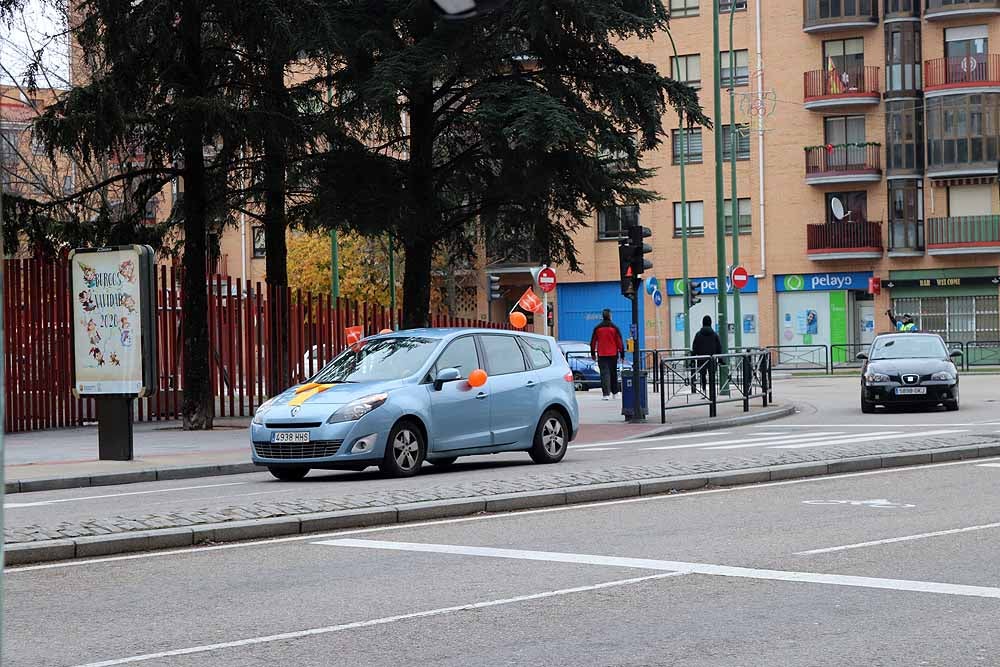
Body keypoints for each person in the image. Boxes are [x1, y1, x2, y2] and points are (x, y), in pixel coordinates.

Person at [590, 309, 625, 401]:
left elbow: (593, 342)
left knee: (604, 374)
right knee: (613, 373)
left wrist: (593, 354)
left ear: (603, 316)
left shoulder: (597, 328)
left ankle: (606, 394)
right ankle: (615, 392)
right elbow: (619, 342)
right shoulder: (615, 328)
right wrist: (622, 354)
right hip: (613, 354)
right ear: (610, 316)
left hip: (602, 354)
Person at [691, 315, 723, 393]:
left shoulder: (698, 334)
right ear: (710, 323)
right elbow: (719, 347)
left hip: (701, 359)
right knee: (712, 376)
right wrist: (720, 360)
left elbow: (694, 347)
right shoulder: (715, 335)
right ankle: (712, 392)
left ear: (702, 323)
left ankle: (704, 391)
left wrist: (692, 359)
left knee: (703, 375)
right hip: (712, 359)